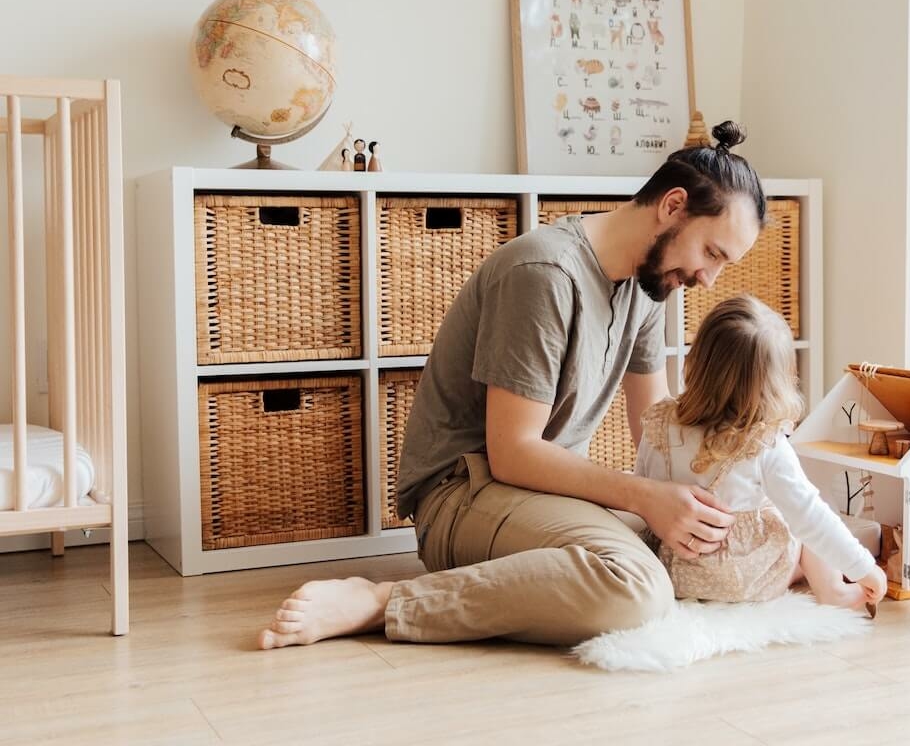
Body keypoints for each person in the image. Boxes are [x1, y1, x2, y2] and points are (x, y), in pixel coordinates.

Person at [259, 121, 767, 649]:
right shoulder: (545, 273)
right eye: (712, 253)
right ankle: (386, 601)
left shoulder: (646, 285)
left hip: (545, 495)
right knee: (638, 588)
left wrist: (728, 493)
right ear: (673, 206)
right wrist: (647, 500)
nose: (708, 279)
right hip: (464, 492)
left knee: (704, 544)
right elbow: (512, 453)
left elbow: (657, 430)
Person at [635, 295, 887, 613]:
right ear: (776, 385)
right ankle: (833, 589)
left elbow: (643, 485)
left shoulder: (659, 423)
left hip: (675, 570)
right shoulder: (765, 444)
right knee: (802, 517)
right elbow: (812, 518)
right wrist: (865, 568)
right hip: (743, 580)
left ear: (696, 360)